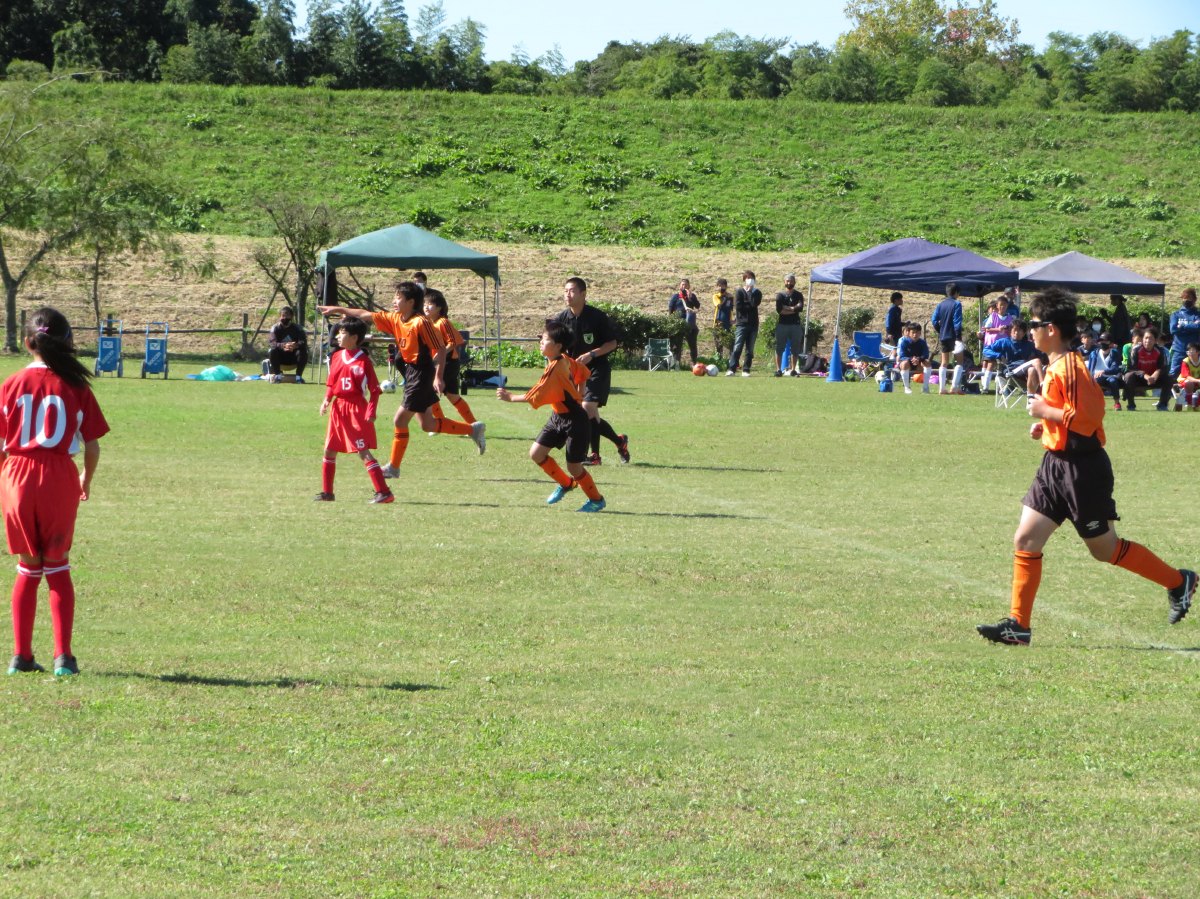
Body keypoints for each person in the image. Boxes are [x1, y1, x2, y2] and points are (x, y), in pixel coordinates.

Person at [976, 287, 1196, 646]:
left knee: (1104, 549)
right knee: (1026, 538)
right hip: (1055, 465)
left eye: (1034, 325)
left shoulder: (1072, 368)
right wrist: (1046, 426)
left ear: (1051, 329)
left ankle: (1178, 581)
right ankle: (1018, 625)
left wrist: (1045, 412)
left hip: (1083, 470)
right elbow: (1069, 417)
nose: (1029, 331)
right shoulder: (1055, 365)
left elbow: (1090, 416)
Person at [2, 307, 109, 677]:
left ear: (27, 342)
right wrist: (85, 478)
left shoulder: (10, 383)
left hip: (16, 475)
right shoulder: (76, 386)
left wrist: (7, 483)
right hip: (58, 475)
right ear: (67, 342)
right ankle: (63, 658)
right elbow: (92, 445)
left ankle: (21, 657)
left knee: (27, 567)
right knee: (57, 565)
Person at [318, 281, 485, 478]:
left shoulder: (421, 322)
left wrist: (438, 377)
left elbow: (441, 348)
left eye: (398, 298)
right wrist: (338, 309)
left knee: (400, 419)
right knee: (427, 424)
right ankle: (473, 429)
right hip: (413, 373)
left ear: (411, 302)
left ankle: (393, 467)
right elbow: (365, 314)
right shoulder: (396, 318)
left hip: (422, 373)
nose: (394, 301)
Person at [496, 320, 607, 513]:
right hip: (558, 417)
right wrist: (579, 392)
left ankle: (596, 500)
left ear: (557, 346)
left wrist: (511, 397)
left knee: (574, 467)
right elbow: (582, 371)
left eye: (545, 339)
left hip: (575, 421)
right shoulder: (563, 359)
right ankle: (566, 484)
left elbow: (538, 392)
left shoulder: (556, 367)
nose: (540, 342)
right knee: (536, 454)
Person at [551, 277, 630, 466]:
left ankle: (595, 456)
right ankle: (619, 441)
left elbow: (612, 343)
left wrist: (591, 354)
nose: (567, 295)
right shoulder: (562, 319)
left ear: (583, 294)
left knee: (587, 408)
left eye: (572, 291)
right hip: (574, 373)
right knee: (587, 413)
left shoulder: (597, 317)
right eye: (565, 291)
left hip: (597, 369)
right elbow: (555, 346)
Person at [315, 317, 393, 504]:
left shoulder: (363, 361)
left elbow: (375, 390)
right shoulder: (336, 356)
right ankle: (327, 493)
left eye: (342, 333)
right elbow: (332, 382)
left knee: (362, 451)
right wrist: (327, 399)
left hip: (355, 409)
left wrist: (371, 411)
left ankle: (384, 492)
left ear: (354, 338)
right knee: (329, 450)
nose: (338, 336)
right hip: (338, 408)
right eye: (338, 332)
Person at [423, 288, 477, 426]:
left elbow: (454, 342)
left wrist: (438, 355)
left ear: (439, 308)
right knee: (452, 396)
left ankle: (440, 423)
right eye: (424, 304)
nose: (426, 307)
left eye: (430, 304)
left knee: (428, 392)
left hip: (448, 363)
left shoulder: (443, 322)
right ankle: (473, 425)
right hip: (441, 362)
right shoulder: (429, 323)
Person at [982, 319, 1043, 394]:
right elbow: (986, 350)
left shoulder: (1029, 344)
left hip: (1024, 374)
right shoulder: (1004, 342)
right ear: (1010, 331)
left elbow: (1042, 355)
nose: (1016, 332)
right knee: (1036, 361)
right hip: (1010, 371)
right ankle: (1043, 384)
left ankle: (1030, 397)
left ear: (1024, 333)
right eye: (1015, 330)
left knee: (1032, 369)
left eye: (1019, 330)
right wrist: (999, 355)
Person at [1164, 288, 1200, 410]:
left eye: (1189, 298)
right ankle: (1172, 401)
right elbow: (1173, 329)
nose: (1186, 300)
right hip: (1179, 350)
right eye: (1184, 298)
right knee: (1173, 376)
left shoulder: (1197, 314)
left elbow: (1199, 327)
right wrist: (1192, 326)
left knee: (1193, 376)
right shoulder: (1176, 314)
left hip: (1195, 352)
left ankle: (1192, 401)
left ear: (1194, 299)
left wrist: (1183, 326)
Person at [1122, 327, 1168, 412]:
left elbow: (1163, 367)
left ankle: (1162, 405)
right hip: (1139, 378)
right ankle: (1131, 405)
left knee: (1169, 379)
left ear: (1155, 341)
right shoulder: (1135, 350)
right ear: (1142, 339)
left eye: (1151, 338)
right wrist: (1145, 376)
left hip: (1154, 379)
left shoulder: (1160, 351)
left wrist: (1155, 375)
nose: (1148, 341)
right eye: (1146, 338)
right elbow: (1131, 368)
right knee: (1128, 376)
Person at [931, 282, 965, 394]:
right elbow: (957, 321)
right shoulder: (957, 304)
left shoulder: (940, 304)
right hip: (954, 336)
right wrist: (958, 337)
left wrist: (940, 330)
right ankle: (954, 387)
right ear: (956, 293)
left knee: (944, 362)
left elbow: (934, 320)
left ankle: (942, 388)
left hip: (943, 336)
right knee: (959, 362)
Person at [978, 293, 1016, 393]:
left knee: (1002, 366)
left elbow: (1012, 330)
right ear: (997, 306)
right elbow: (987, 328)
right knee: (990, 364)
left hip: (1004, 345)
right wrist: (998, 329)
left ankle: (1001, 388)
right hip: (992, 344)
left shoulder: (1010, 318)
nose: (1003, 307)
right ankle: (985, 387)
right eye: (1001, 305)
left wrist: (1008, 329)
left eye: (1005, 305)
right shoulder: (993, 316)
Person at [727, 270, 762, 377]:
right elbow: (739, 307)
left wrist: (749, 294)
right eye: (748, 278)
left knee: (750, 349)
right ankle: (732, 369)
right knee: (737, 347)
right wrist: (748, 304)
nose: (750, 280)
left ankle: (746, 369)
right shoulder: (739, 292)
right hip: (741, 324)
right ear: (744, 280)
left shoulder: (757, 293)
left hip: (753, 324)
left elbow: (754, 304)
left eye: (752, 278)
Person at [774, 274, 805, 377]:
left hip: (795, 325)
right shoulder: (780, 295)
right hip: (782, 325)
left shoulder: (798, 295)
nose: (789, 283)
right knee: (779, 348)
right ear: (784, 282)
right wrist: (793, 309)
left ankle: (793, 369)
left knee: (795, 348)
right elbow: (779, 310)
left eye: (791, 281)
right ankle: (778, 369)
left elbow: (800, 308)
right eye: (787, 281)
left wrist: (787, 308)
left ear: (794, 282)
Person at [267, 305, 308, 382]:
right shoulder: (275, 328)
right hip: (280, 357)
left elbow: (303, 342)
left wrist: (294, 345)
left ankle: (298, 377)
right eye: (283, 316)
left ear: (291, 316)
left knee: (303, 351)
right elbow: (272, 343)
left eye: (287, 315)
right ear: (280, 317)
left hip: (293, 356)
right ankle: (278, 376)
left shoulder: (298, 328)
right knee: (272, 350)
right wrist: (284, 346)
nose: (285, 318)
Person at [1086, 331, 1124, 410]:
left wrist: (1104, 371)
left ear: (1111, 343)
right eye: (1101, 341)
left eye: (1105, 341)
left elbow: (1115, 368)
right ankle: (1094, 403)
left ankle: (1117, 403)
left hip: (1111, 376)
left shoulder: (1114, 353)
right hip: (1097, 376)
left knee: (1113, 381)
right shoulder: (1094, 354)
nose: (1102, 343)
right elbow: (1090, 369)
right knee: (1095, 381)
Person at [668, 278, 700, 366]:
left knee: (692, 345)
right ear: (680, 286)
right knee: (677, 345)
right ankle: (676, 364)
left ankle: (694, 363)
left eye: (686, 285)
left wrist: (690, 297)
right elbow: (670, 310)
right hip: (679, 323)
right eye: (682, 284)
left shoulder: (692, 296)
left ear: (689, 286)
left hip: (689, 324)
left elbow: (697, 306)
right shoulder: (675, 296)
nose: (684, 286)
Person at [895, 321, 932, 394]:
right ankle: (907, 388)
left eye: (917, 332)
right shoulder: (904, 342)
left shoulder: (922, 342)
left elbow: (926, 355)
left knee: (927, 362)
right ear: (909, 333)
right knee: (904, 363)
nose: (915, 335)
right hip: (907, 364)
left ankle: (925, 387)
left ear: (920, 333)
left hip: (919, 364)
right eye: (913, 332)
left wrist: (918, 359)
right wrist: (911, 359)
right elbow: (902, 356)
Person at [712, 278, 733, 360]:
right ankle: (718, 360)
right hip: (718, 323)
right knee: (718, 345)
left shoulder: (730, 297)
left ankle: (731, 361)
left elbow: (731, 309)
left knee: (730, 344)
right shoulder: (716, 296)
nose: (721, 288)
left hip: (728, 323)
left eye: (723, 286)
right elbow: (719, 306)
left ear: (726, 287)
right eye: (719, 286)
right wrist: (725, 298)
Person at [1175, 342, 1200, 411]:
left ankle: (1197, 405)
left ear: (1198, 352)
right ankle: (1189, 405)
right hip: (1184, 380)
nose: (1190, 353)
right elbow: (1187, 376)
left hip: (1197, 380)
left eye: (1192, 351)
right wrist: (1198, 380)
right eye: (1188, 351)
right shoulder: (1185, 361)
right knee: (1189, 383)